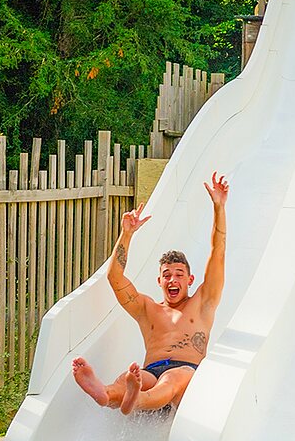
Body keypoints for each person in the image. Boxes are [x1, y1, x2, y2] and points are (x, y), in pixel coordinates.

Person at [70, 172, 228, 415]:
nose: (172, 279)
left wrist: (219, 208)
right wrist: (127, 233)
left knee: (172, 379)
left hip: (185, 372)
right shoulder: (148, 308)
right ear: (159, 281)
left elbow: (218, 252)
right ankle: (106, 394)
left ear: (190, 280)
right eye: (166, 275)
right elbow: (115, 279)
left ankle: (136, 401)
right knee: (129, 377)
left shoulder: (203, 301)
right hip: (150, 371)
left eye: (178, 274)